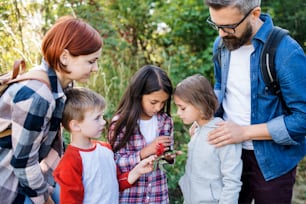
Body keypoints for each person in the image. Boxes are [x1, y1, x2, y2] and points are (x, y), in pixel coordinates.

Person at [204, 0, 306, 203]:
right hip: (229, 155)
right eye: (216, 26)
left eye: (229, 27)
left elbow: (302, 118)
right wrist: (206, 118)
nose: (222, 34)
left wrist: (244, 132)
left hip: (273, 161)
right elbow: (220, 88)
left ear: (255, 13)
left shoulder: (287, 52)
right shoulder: (222, 46)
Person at [0, 16, 103, 204]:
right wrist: (46, 200)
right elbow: (24, 163)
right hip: (9, 185)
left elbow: (52, 141)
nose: (95, 68)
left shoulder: (61, 86)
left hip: (33, 176)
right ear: (64, 57)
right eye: (90, 61)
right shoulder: (38, 96)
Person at [53, 87, 156, 204]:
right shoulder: (71, 161)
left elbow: (115, 183)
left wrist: (137, 171)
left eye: (102, 116)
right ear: (76, 125)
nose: (103, 122)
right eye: (97, 118)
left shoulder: (105, 149)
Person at [108, 65, 176, 204]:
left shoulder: (166, 122)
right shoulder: (121, 124)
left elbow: (166, 157)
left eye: (163, 103)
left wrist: (168, 157)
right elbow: (114, 162)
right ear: (138, 95)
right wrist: (144, 153)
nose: (158, 108)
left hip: (158, 195)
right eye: (153, 102)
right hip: (130, 197)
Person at [174, 74, 242, 204]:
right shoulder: (196, 131)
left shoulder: (222, 133)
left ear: (200, 105)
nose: (178, 113)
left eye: (182, 108)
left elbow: (232, 182)